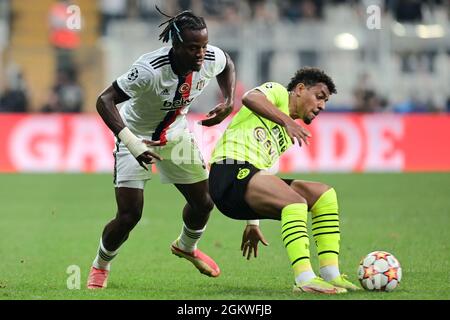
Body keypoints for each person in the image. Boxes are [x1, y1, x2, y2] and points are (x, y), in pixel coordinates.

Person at [87, 7, 236, 289]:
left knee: (204, 203)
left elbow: (227, 63)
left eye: (203, 45)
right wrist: (131, 143)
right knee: (130, 215)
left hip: (176, 137)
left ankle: (186, 246)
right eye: (193, 48)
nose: (201, 53)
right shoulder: (148, 70)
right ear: (176, 45)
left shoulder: (210, 57)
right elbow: (104, 101)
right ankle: (100, 266)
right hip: (136, 136)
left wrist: (228, 100)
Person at [208, 67, 360, 294]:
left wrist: (252, 223)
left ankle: (331, 274)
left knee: (323, 195)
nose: (322, 106)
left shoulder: (285, 137)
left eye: (325, 101)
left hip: (244, 183)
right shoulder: (278, 93)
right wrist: (287, 122)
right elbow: (250, 97)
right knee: (295, 202)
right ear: (299, 89)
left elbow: (261, 176)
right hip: (227, 171)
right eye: (319, 97)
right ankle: (305, 278)